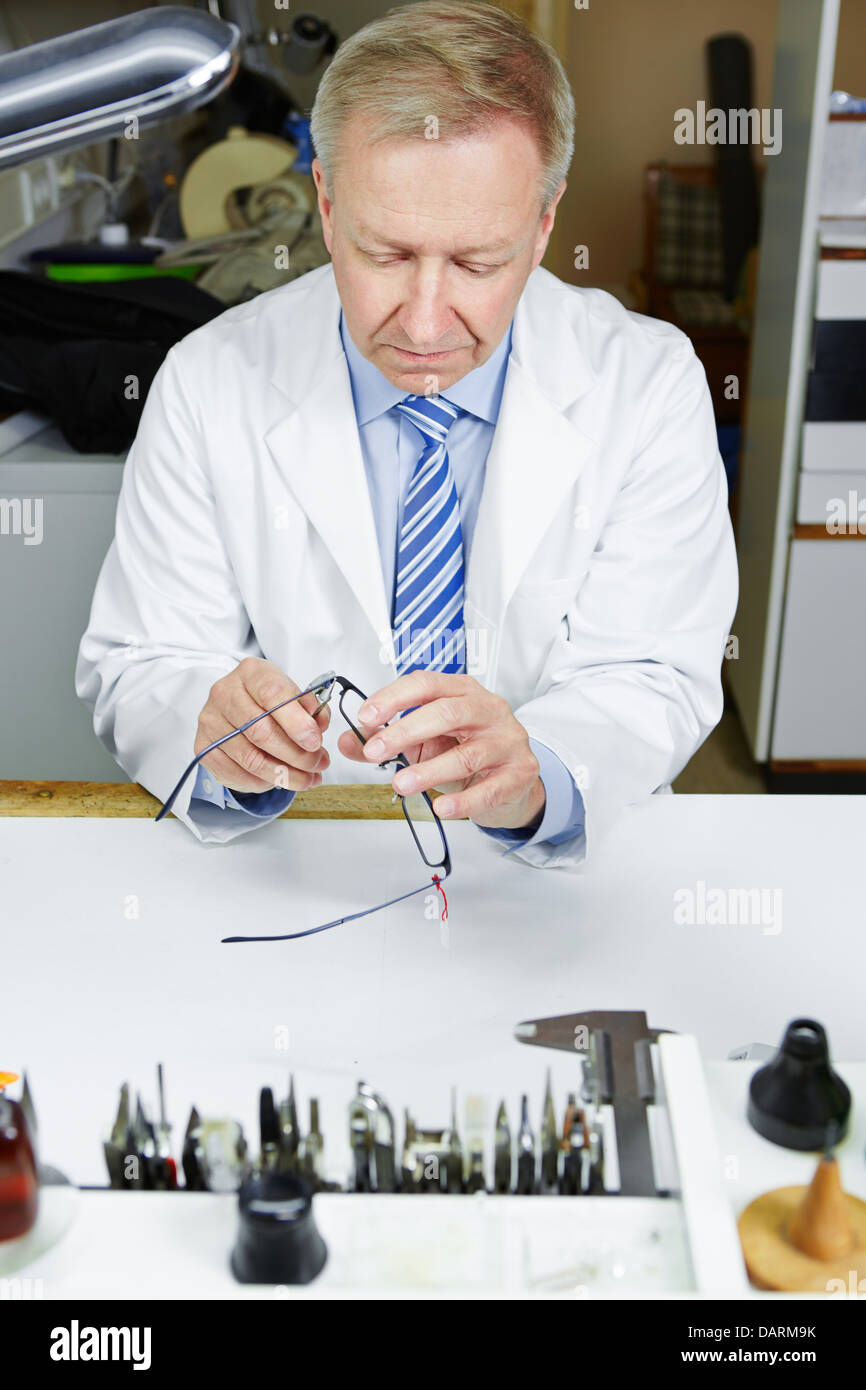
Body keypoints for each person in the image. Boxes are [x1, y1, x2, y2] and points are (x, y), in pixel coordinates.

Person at [77, 0, 737, 870]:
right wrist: (213, 729)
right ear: (324, 201)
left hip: (551, 882)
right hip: (297, 867)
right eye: (385, 254)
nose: (424, 324)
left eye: (476, 263)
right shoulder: (210, 379)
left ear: (544, 227)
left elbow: (657, 672)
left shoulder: (646, 384)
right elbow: (141, 662)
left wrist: (541, 769)